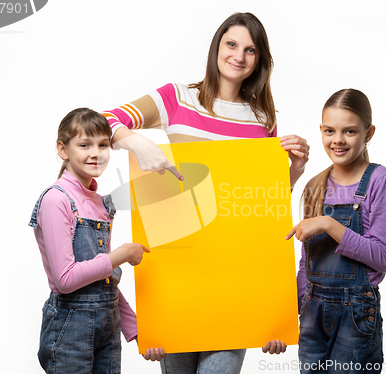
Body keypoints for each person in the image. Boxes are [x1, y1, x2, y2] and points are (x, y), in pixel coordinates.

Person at [103, 12, 309, 374]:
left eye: (251, 50)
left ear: (260, 60)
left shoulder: (262, 119)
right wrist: (137, 143)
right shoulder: (177, 98)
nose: (239, 56)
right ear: (217, 46)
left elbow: (262, 207)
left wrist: (293, 172)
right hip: (178, 274)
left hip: (235, 282)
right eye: (232, 44)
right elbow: (104, 120)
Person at [28, 108, 152, 373]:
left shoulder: (101, 204)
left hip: (108, 327)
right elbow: (66, 279)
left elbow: (103, 280)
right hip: (70, 326)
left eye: (103, 144)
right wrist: (121, 255)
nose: (96, 153)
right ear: (63, 149)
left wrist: (136, 328)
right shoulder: (56, 200)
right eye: (84, 145)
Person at [286, 89, 386, 373]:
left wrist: (329, 224)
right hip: (312, 313)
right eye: (329, 131)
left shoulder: (380, 181)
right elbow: (306, 263)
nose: (337, 140)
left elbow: (382, 257)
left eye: (349, 131)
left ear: (368, 133)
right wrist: (290, 315)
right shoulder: (316, 184)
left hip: (357, 313)